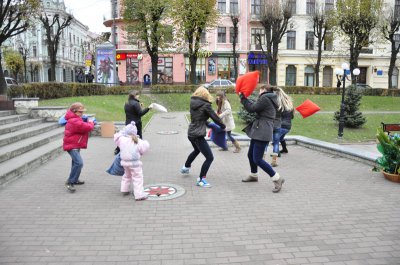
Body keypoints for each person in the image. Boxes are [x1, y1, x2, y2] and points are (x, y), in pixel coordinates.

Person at [239, 85, 285, 193]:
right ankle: (254, 175)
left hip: (262, 131)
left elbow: (251, 109)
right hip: (260, 130)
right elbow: (254, 105)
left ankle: (277, 178)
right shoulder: (269, 98)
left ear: (264, 90)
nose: (258, 91)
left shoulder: (265, 98)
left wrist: (242, 97)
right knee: (250, 155)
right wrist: (245, 98)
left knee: (257, 159)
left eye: (260, 89)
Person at [180, 86, 226, 187]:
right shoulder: (206, 105)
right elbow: (215, 118)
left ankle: (186, 167)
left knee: (197, 150)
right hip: (198, 135)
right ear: (205, 94)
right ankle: (201, 179)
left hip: (191, 133)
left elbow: (199, 118)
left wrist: (208, 124)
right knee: (209, 157)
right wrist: (223, 126)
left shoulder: (193, 103)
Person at [63, 102, 95, 192]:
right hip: (72, 145)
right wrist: (91, 122)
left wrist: (85, 120)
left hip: (75, 144)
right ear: (74, 111)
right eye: (80, 112)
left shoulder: (76, 119)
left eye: (82, 112)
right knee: (79, 163)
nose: (82, 114)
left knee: (75, 163)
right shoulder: (74, 121)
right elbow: (87, 127)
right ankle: (70, 182)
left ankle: (75, 179)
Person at [114, 121, 150, 201]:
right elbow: (144, 148)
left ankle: (124, 189)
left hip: (124, 162)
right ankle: (139, 194)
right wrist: (140, 153)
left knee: (126, 175)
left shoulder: (121, 140)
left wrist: (123, 131)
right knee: (137, 178)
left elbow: (116, 136)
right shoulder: (138, 141)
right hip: (135, 163)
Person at [266, 86, 294, 167]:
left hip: (281, 126)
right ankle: (284, 149)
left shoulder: (278, 104)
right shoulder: (289, 103)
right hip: (288, 126)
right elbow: (292, 117)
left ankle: (276, 155)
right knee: (280, 138)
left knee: (275, 141)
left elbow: (275, 116)